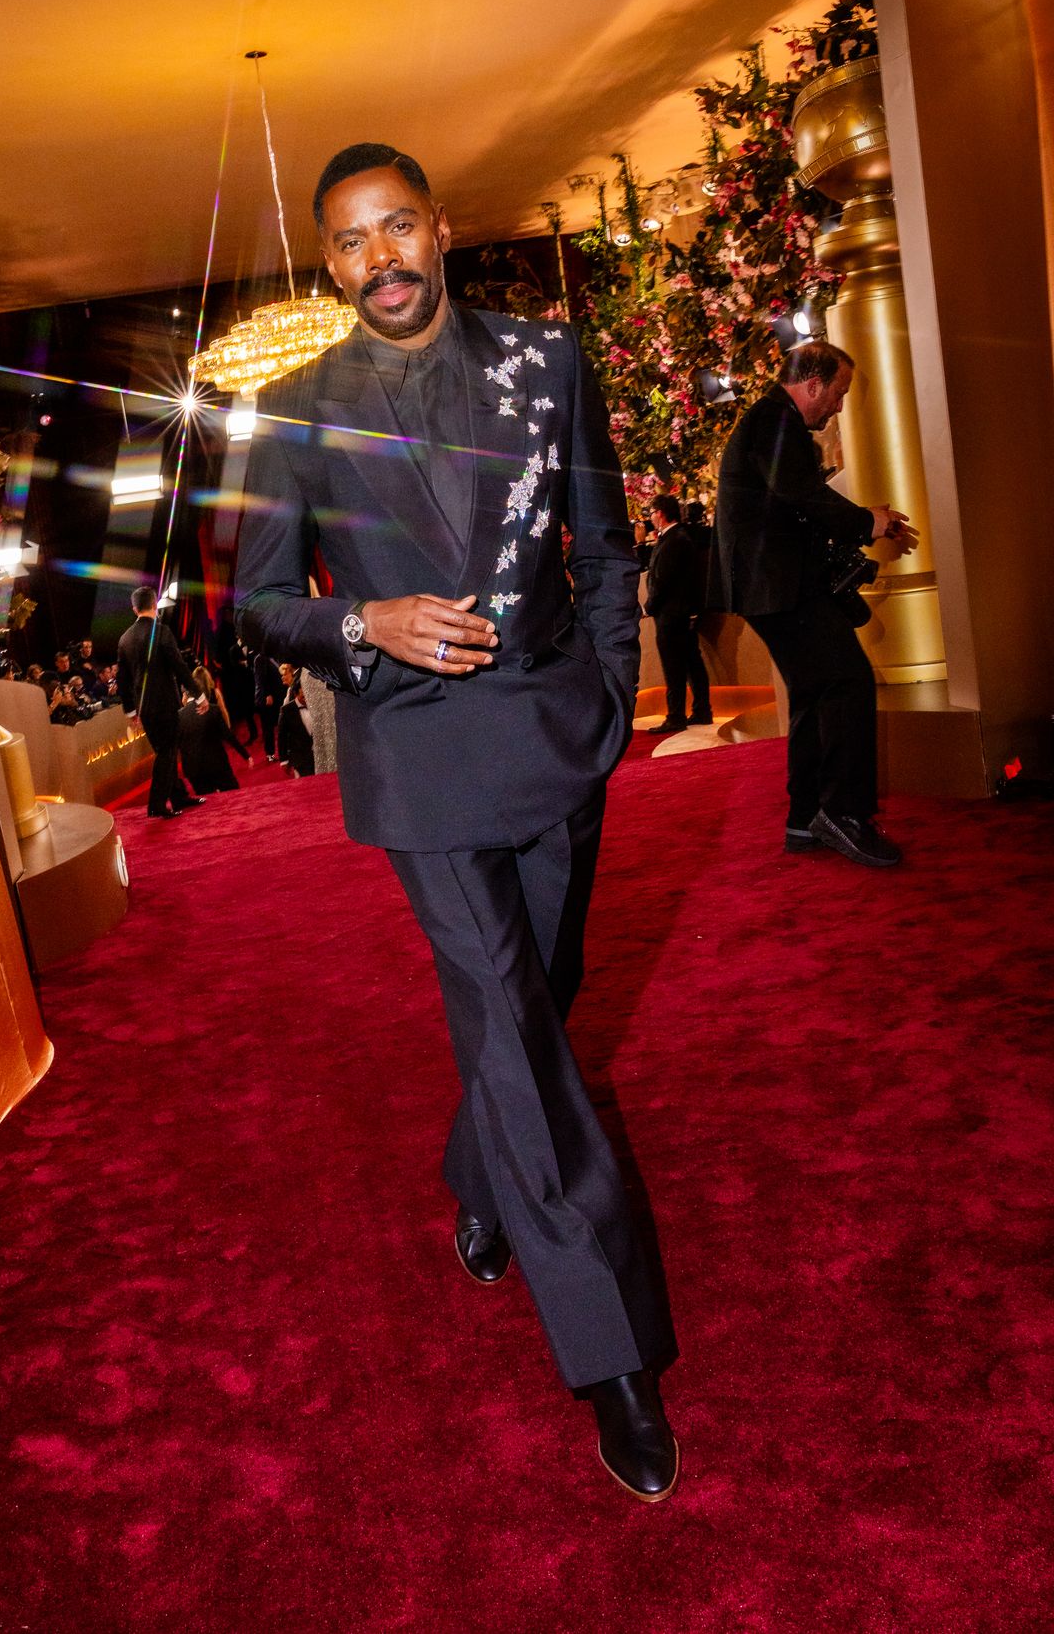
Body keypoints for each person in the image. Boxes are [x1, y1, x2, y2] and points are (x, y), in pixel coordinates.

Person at [235, 142, 678, 1502]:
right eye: (352, 241)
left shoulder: (546, 361)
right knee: (505, 1011)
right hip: (419, 762)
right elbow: (259, 602)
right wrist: (358, 617)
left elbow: (602, 544)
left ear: (438, 228)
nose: (381, 258)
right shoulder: (293, 414)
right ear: (331, 263)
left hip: (555, 732)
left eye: (399, 227)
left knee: (542, 994)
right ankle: (610, 1353)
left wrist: (608, 692)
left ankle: (478, 1179)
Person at [713, 340, 917, 864]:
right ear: (813, 384)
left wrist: (863, 521)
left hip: (772, 586)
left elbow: (790, 500)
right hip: (780, 586)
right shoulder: (776, 419)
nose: (840, 406)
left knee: (813, 692)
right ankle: (843, 813)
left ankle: (805, 818)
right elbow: (797, 494)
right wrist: (864, 521)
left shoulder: (771, 420)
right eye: (839, 393)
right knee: (848, 680)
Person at [117, 586, 208, 819]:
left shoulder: (124, 639)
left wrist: (130, 711)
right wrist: (199, 694)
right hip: (166, 704)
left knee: (164, 751)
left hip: (144, 709)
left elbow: (123, 679)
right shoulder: (162, 631)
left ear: (134, 608)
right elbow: (180, 668)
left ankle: (178, 796)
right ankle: (156, 805)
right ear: (155, 605)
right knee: (167, 752)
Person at [645, 494, 712, 732]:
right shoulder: (677, 538)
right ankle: (702, 710)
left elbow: (663, 579)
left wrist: (649, 606)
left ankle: (676, 715)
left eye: (651, 512)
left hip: (672, 614)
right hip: (679, 613)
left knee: (674, 665)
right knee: (691, 661)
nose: (650, 518)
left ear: (661, 513)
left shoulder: (675, 540)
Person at [177, 666, 252, 795]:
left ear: (184, 694)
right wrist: (246, 755)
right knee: (234, 796)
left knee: (208, 807)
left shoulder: (177, 717)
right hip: (216, 764)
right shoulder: (212, 709)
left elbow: (176, 746)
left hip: (193, 770)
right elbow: (228, 735)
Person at [274, 663, 315, 778]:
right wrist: (284, 760)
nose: (306, 700)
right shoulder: (287, 711)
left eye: (308, 696)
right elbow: (281, 736)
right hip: (300, 760)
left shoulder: (316, 706)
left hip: (318, 757)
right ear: (296, 694)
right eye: (303, 697)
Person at [250, 647, 286, 761]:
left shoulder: (274, 656)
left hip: (277, 697)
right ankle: (270, 753)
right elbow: (260, 679)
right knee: (268, 727)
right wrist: (267, 694)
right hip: (266, 700)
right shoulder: (260, 659)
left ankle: (284, 750)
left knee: (280, 724)